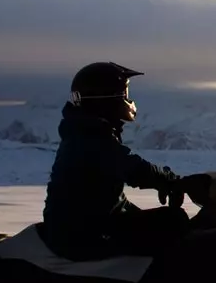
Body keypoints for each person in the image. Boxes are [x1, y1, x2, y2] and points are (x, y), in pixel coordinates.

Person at [41, 62, 203, 260]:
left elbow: (107, 196)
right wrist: (172, 181)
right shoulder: (89, 137)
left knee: (169, 221)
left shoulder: (85, 130)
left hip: (84, 225)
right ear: (109, 98)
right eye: (124, 94)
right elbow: (132, 168)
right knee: (173, 223)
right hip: (81, 236)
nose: (128, 100)